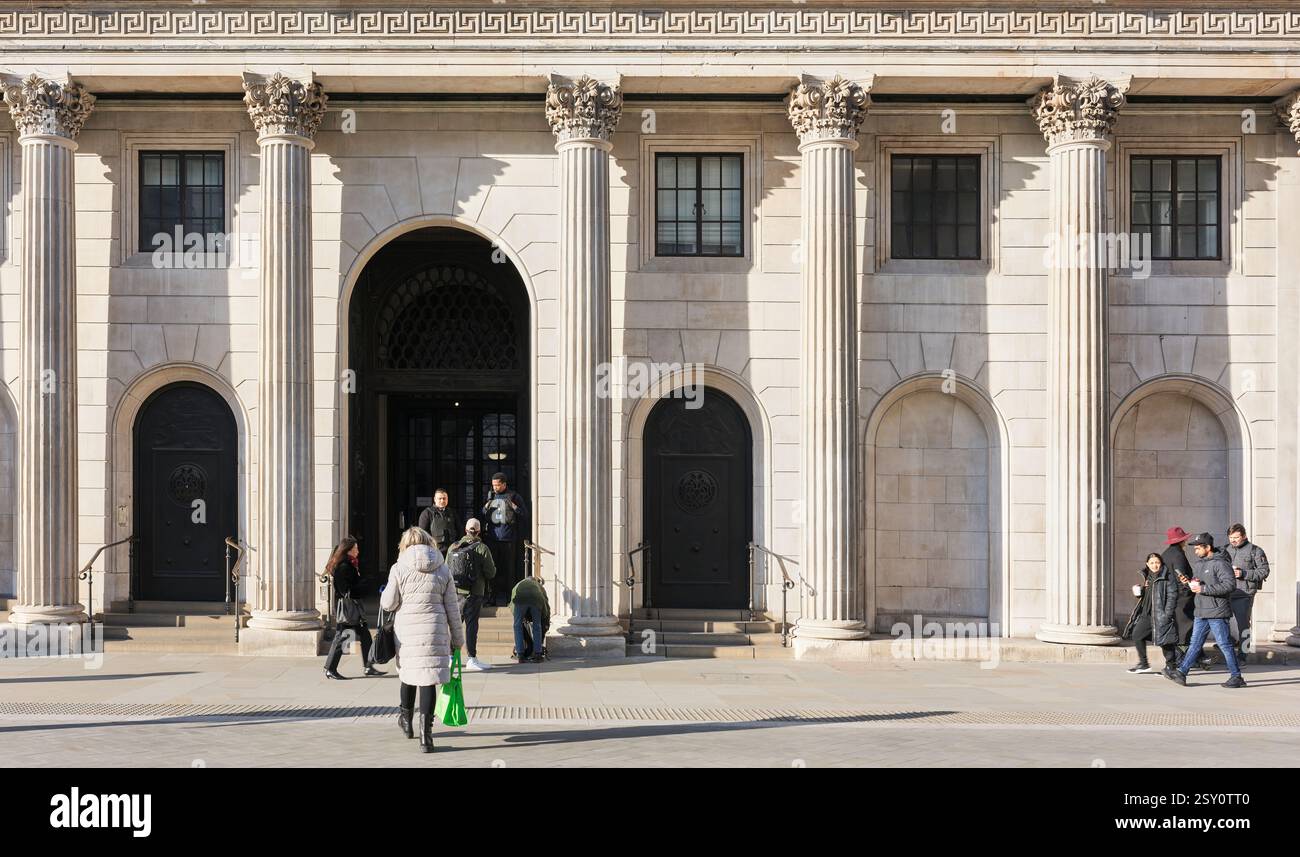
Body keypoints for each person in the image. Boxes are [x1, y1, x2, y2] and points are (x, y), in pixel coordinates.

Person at [379, 527, 466, 752]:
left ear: (405, 545)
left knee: (408, 674)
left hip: (407, 632)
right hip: (435, 631)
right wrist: (458, 638)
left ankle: (406, 722)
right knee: (428, 678)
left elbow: (388, 603)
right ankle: (426, 737)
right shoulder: (443, 569)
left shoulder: (398, 568)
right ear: (429, 543)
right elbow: (453, 609)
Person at [1163, 532, 1246, 688]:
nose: (1195, 551)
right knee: (1195, 644)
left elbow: (1229, 585)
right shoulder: (1200, 564)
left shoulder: (1221, 563)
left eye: (1198, 548)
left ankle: (1236, 676)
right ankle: (1182, 672)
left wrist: (1203, 588)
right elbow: (1198, 584)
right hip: (1201, 611)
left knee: (1224, 644)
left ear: (1207, 547)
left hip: (1216, 612)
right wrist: (1189, 582)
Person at [322, 536, 381, 680]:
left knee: (365, 635)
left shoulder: (350, 564)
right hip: (348, 609)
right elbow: (346, 591)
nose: (358, 551)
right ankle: (330, 668)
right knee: (343, 638)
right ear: (348, 550)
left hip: (353, 608)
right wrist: (365, 585)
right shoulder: (344, 567)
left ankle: (368, 666)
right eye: (355, 549)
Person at [446, 518, 497, 673]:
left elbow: (446, 569)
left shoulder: (453, 547)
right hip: (474, 593)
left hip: (455, 592)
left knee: (454, 625)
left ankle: (449, 657)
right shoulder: (482, 548)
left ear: (465, 531)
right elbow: (491, 572)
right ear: (479, 531)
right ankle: (471, 658)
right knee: (471, 626)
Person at [1160, 526, 1211, 671]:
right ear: (1182, 540)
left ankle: (1195, 658)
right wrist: (1191, 589)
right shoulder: (1178, 555)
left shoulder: (1166, 553)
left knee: (1184, 630)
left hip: (1173, 598)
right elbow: (1182, 578)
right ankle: (1190, 659)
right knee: (1188, 630)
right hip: (1182, 599)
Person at [1121, 552, 1180, 674]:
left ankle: (1171, 666)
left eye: (1157, 562)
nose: (1154, 565)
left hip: (1160, 614)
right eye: (1152, 563)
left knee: (1165, 641)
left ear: (1161, 563)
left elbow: (1172, 596)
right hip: (1146, 613)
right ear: (1147, 564)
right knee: (1137, 634)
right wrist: (1141, 591)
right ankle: (1144, 663)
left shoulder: (1167, 577)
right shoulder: (1148, 577)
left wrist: (1167, 615)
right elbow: (1150, 595)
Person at [1224, 523, 1270, 660]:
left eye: (1236, 537)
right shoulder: (1225, 550)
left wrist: (1243, 573)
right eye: (1230, 537)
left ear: (1244, 536)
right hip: (1226, 592)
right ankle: (1230, 641)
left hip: (1244, 594)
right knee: (1218, 620)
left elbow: (1264, 571)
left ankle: (1243, 654)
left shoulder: (1255, 550)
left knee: (1243, 624)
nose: (1233, 540)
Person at [481, 472, 527, 605]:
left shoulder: (514, 496)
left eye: (497, 485)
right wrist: (485, 506)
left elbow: (524, 514)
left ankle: (510, 598)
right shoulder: (491, 496)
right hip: (492, 538)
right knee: (492, 569)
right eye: (493, 485)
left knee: (509, 570)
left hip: (508, 539)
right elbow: (483, 514)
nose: (495, 487)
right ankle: (491, 598)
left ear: (504, 484)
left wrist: (514, 507)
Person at [509, 573, 551, 664]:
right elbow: (546, 604)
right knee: (537, 626)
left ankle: (520, 655)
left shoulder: (518, 585)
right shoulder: (539, 586)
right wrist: (545, 618)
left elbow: (512, 604)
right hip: (536, 600)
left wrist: (518, 618)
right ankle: (538, 654)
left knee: (517, 626)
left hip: (520, 599)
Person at [418, 488, 460, 556]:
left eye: (444, 498)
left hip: (452, 550)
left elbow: (459, 529)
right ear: (434, 499)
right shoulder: (427, 513)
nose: (442, 500)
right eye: (439, 498)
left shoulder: (452, 512)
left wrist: (457, 545)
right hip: (435, 550)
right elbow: (422, 533)